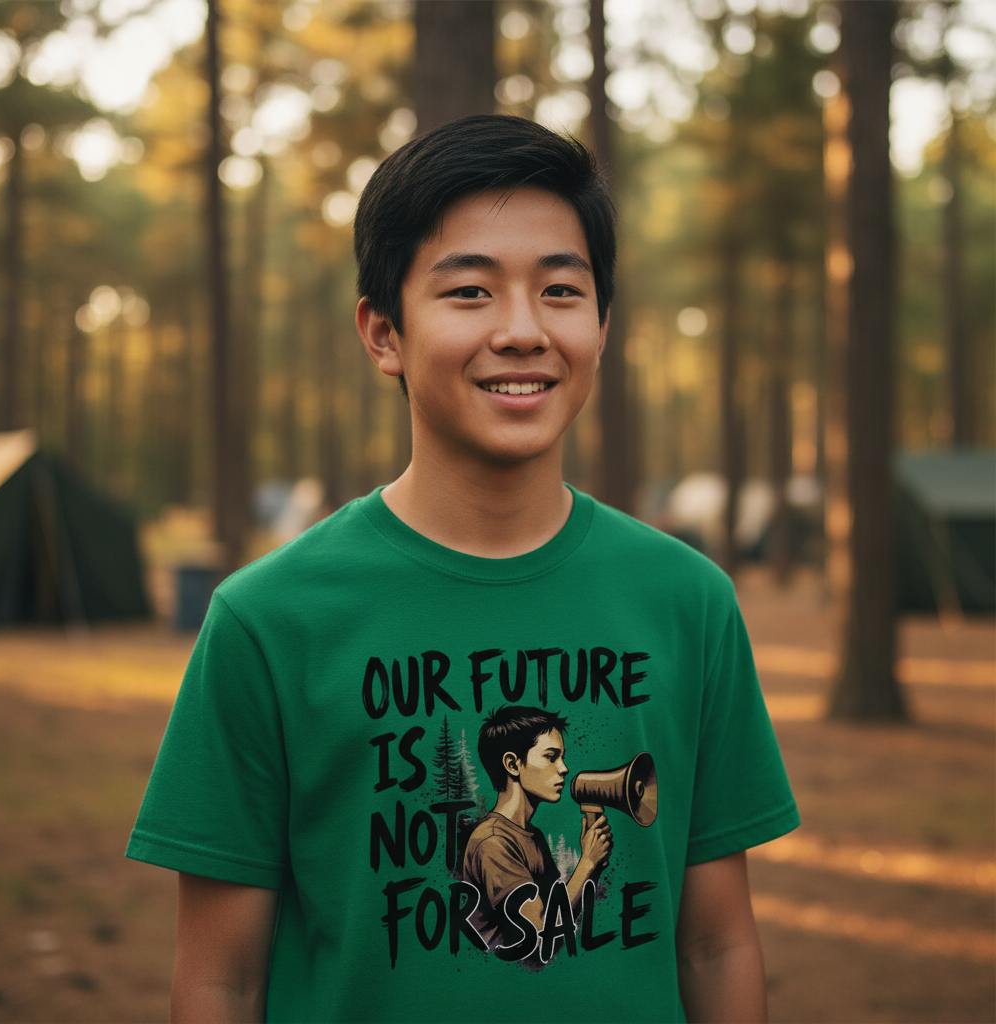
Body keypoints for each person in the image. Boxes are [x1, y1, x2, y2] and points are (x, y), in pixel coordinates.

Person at [127, 114, 799, 1023]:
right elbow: (221, 979)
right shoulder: (267, 619)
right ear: (383, 333)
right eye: (470, 293)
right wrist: (591, 864)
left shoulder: (690, 602)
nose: (523, 331)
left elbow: (716, 946)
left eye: (562, 290)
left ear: (601, 326)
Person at [462, 706, 611, 954]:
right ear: (512, 764)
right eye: (551, 757)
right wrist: (586, 863)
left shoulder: (532, 836)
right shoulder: (493, 841)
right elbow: (539, 930)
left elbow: (559, 912)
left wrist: (593, 867)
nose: (564, 768)